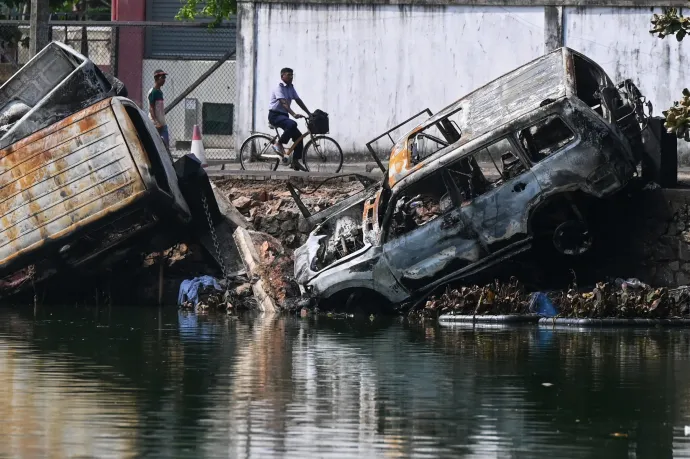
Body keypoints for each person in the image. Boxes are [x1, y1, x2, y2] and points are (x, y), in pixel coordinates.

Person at [268, 68, 311, 170]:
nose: (291, 77)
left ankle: (295, 161)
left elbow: (298, 100)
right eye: (289, 75)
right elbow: (283, 103)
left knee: (299, 137)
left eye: (292, 75)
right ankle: (278, 144)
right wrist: (294, 114)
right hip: (275, 115)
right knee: (292, 124)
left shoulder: (291, 87)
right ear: (282, 76)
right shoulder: (278, 87)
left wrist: (309, 113)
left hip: (283, 116)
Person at [148, 69, 169, 150]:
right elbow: (151, 108)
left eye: (164, 77)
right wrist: (156, 122)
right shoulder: (153, 92)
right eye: (162, 77)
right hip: (155, 124)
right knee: (157, 147)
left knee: (165, 146)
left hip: (162, 123)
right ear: (157, 79)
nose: (164, 80)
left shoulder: (159, 92)